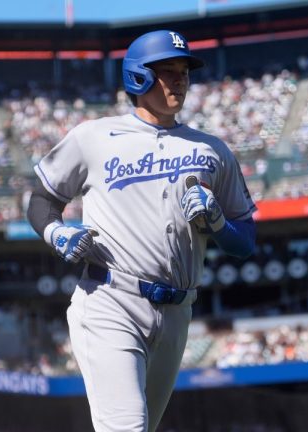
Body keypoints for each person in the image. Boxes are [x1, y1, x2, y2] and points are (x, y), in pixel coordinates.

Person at [26, 29, 257, 432]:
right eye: (168, 71)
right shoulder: (94, 137)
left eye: (184, 71)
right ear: (138, 77)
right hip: (111, 300)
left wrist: (218, 221)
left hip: (176, 312)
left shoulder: (211, 150)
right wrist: (56, 233)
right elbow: (42, 200)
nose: (180, 80)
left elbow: (246, 242)